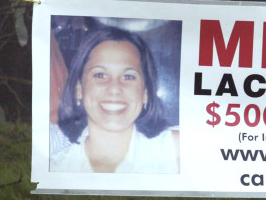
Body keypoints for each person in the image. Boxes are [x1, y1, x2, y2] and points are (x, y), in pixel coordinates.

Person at [50, 26, 180, 173]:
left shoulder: (176, 152)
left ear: (145, 93)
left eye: (128, 76)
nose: (114, 88)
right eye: (100, 75)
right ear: (79, 89)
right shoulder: (54, 167)